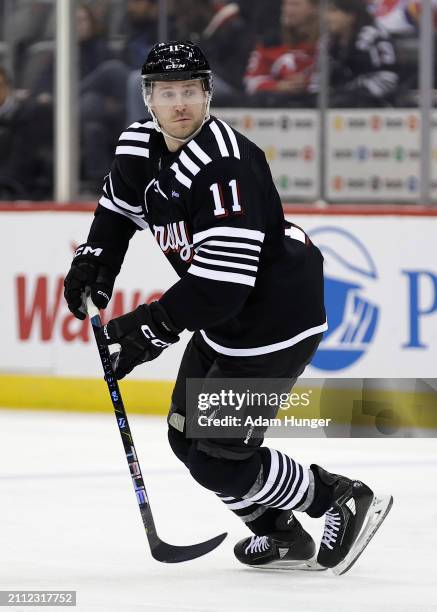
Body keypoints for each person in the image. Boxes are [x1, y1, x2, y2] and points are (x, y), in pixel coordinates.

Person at [64, 41, 392, 571]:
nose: (181, 104)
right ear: (148, 98)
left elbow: (221, 286)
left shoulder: (227, 168)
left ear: (209, 93)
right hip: (224, 321)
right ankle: (280, 533)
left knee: (218, 457)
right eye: (167, 93)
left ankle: (336, 496)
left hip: (275, 319)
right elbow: (118, 209)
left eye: (191, 90)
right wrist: (96, 262)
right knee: (183, 437)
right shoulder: (137, 148)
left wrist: (148, 329)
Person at [244, 0, 319, 105]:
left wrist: (307, 83)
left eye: (295, 4)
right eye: (285, 4)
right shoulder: (270, 42)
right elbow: (251, 83)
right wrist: (279, 86)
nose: (288, 9)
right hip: (277, 106)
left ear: (314, 8)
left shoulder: (326, 42)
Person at [326, 0, 399, 107]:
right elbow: (320, 78)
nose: (327, 17)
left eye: (333, 11)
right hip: (339, 100)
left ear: (351, 15)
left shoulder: (374, 36)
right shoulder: (328, 42)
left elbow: (388, 78)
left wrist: (349, 94)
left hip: (374, 105)